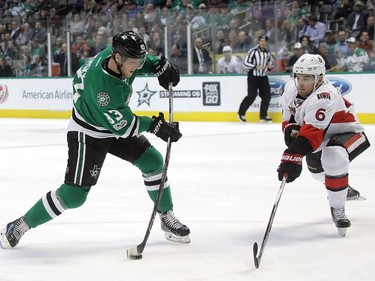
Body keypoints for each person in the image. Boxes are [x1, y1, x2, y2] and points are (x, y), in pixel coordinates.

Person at [0, 31, 190, 249]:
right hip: (88, 132)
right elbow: (126, 125)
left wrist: (160, 66)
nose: (137, 68)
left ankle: (166, 215)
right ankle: (19, 224)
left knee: (153, 162)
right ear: (118, 58)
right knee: (74, 195)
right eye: (134, 64)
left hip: (111, 121)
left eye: (139, 62)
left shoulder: (118, 56)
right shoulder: (103, 89)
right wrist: (156, 126)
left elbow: (143, 63)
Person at [277, 54, 370, 236]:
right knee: (318, 173)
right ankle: (343, 189)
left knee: (333, 156)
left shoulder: (325, 95)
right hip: (322, 134)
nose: (301, 83)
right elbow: (288, 122)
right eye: (298, 77)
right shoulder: (290, 89)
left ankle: (338, 208)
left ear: (318, 78)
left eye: (307, 78)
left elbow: (311, 133)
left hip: (349, 133)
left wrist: (293, 153)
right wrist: (292, 140)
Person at [238, 35, 274, 123]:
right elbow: (245, 63)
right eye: (261, 41)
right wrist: (255, 66)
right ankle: (241, 113)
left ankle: (263, 115)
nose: (263, 42)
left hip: (263, 76)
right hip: (253, 76)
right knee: (251, 96)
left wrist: (270, 67)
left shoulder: (268, 53)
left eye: (265, 41)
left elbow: (270, 65)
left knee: (267, 96)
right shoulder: (253, 51)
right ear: (258, 42)